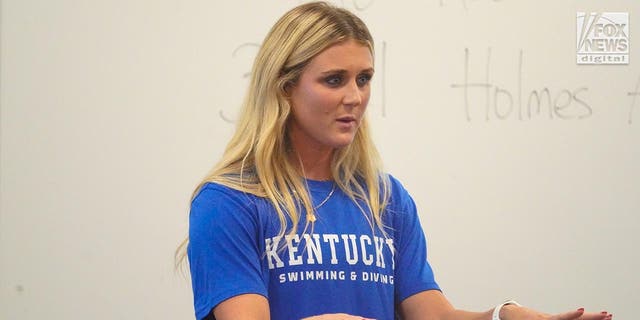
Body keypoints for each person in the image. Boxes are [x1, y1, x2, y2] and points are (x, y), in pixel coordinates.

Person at [176, 2, 613, 320]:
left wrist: (503, 316)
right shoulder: (229, 202)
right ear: (284, 88)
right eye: (334, 80)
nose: (355, 97)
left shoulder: (385, 199)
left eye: (364, 79)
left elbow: (433, 315)